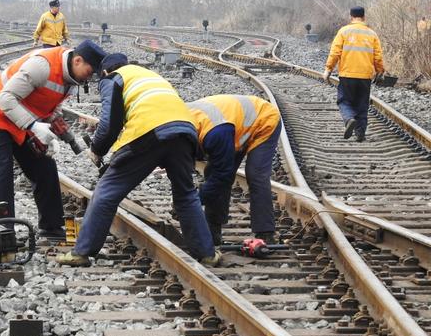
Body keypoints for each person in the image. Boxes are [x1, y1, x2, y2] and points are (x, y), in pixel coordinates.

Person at [57, 53, 221, 267]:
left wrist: (97, 149)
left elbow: (108, 124)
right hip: (184, 131)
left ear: (106, 71)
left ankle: (82, 252)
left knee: (106, 192)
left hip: (149, 131)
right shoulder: (150, 75)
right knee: (186, 194)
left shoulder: (112, 78)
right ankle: (206, 253)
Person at [0, 40, 107, 238]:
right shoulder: (42, 66)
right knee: (3, 168)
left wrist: (62, 132)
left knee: (45, 168)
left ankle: (51, 227)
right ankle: (2, 229)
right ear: (78, 60)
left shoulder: (72, 79)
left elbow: (52, 106)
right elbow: (5, 99)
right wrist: (33, 126)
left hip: (25, 119)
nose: (90, 78)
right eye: (90, 72)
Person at [187, 95, 282, 246]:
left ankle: (265, 233)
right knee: (213, 173)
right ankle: (212, 233)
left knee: (255, 174)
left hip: (264, 120)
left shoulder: (214, 134)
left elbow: (221, 175)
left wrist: (195, 201)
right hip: (233, 126)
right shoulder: (184, 125)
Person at [323, 6, 384, 142]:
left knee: (344, 101)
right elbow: (378, 56)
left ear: (351, 16)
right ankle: (360, 133)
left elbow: (335, 52)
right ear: (364, 17)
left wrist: (328, 69)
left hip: (347, 75)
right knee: (362, 104)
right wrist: (380, 71)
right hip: (365, 77)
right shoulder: (371, 34)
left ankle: (349, 119)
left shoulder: (344, 32)